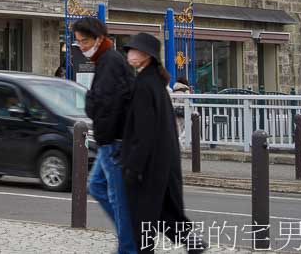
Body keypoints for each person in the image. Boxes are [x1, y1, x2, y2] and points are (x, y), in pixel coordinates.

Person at [121, 33, 204, 253]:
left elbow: (144, 131)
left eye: (134, 50)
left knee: (144, 218)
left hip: (150, 166)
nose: (129, 53)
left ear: (146, 56)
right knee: (163, 212)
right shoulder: (155, 83)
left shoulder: (144, 85)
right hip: (162, 162)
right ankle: (193, 243)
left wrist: (133, 166)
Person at [73, 17, 136, 254]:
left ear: (99, 39)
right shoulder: (106, 60)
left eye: (85, 41)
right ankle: (129, 237)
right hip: (110, 140)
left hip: (114, 141)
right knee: (97, 186)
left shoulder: (110, 62)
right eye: (78, 42)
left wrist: (105, 136)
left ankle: (130, 246)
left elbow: (107, 104)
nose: (82, 46)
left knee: (118, 199)